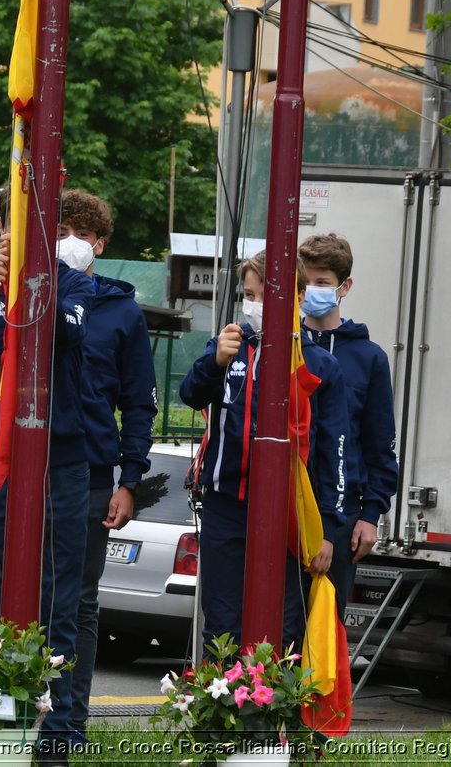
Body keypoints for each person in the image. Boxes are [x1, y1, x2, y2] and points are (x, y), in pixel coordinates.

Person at [0, 196, 93, 766]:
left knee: (58, 592)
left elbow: (70, 337)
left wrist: (34, 282)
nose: (17, 234)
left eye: (33, 225)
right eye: (11, 224)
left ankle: (54, 738)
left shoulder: (72, 284)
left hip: (61, 459)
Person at [178, 251, 350, 654]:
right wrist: (214, 361)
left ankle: (272, 714)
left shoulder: (318, 363)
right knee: (221, 626)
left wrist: (328, 526)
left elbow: (336, 452)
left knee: (284, 629)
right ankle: (220, 710)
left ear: (297, 298)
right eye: (248, 294)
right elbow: (191, 394)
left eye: (262, 296)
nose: (252, 304)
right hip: (226, 503)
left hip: (288, 511)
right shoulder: (228, 348)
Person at [57, 189, 156, 745]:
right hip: (32, 466)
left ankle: (69, 718)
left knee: (80, 598)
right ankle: (19, 707)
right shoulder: (35, 294)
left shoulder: (122, 313)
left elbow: (139, 403)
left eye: (83, 233)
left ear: (100, 243)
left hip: (95, 472)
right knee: (28, 590)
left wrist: (130, 480)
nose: (71, 241)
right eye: (62, 229)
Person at [297, 233, 398, 617]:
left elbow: (379, 444)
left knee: (324, 624)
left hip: (340, 515)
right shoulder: (283, 344)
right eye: (306, 283)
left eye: (323, 283)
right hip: (286, 502)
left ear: (344, 286)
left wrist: (370, 516)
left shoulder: (369, 358)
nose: (312, 292)